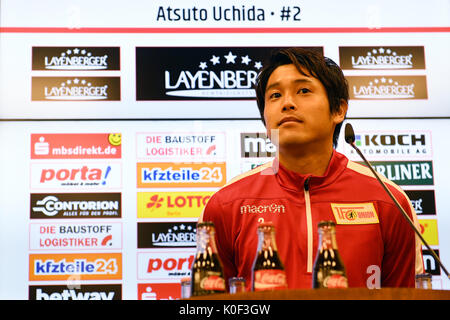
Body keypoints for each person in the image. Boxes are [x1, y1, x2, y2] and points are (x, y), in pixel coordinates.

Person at [200, 48, 424, 290]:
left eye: (303, 91)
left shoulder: (388, 199)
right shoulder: (226, 203)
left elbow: (406, 294)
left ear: (339, 109)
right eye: (274, 95)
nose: (286, 103)